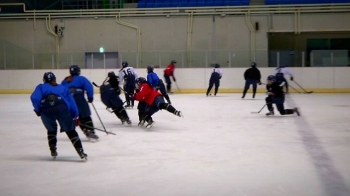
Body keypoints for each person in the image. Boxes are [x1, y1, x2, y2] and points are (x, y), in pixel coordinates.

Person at [30, 72, 88, 160]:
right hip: (62, 109)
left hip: (46, 110)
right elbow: (72, 103)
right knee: (71, 131)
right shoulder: (63, 88)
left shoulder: (41, 87)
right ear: (55, 79)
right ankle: (80, 151)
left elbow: (35, 98)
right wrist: (75, 115)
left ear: (44, 80)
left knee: (51, 130)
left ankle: (53, 149)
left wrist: (38, 110)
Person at [61, 65, 98, 141]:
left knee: (77, 117)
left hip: (69, 101)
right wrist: (90, 96)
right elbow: (89, 87)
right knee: (86, 115)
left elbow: (60, 91)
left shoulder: (65, 80)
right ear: (78, 71)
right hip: (79, 99)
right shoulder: (81, 79)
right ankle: (91, 131)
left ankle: (85, 130)